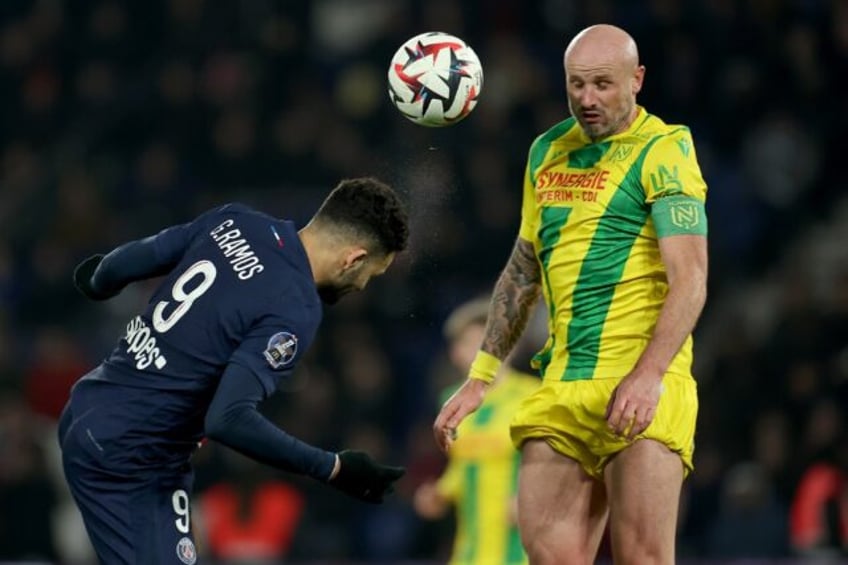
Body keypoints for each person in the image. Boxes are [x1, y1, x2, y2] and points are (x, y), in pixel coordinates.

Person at [434, 24, 709, 565]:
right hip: (563, 385)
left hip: (642, 382)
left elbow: (692, 277)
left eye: (603, 85)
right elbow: (522, 270)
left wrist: (649, 374)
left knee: (642, 557)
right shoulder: (547, 151)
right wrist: (480, 376)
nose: (587, 99)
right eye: (576, 85)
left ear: (638, 79)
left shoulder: (666, 149)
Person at [59, 177, 409, 564]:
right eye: (371, 275)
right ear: (354, 258)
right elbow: (227, 419)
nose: (362, 286)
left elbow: (134, 258)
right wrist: (335, 468)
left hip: (88, 406)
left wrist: (97, 281)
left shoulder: (238, 221)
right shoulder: (295, 308)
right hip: (133, 460)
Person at [414, 297, 539, 565]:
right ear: (454, 352)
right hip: (469, 546)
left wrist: (535, 497)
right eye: (469, 344)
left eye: (484, 343)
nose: (478, 353)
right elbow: (462, 466)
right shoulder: (451, 401)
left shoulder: (533, 396)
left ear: (510, 347)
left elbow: (558, 463)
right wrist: (440, 493)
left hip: (518, 547)